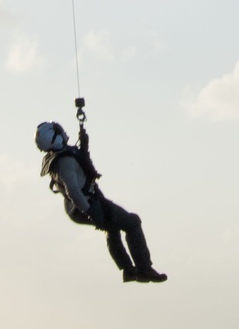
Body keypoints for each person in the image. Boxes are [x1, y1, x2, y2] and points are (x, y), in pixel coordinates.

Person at [34, 120, 167, 283]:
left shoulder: (57, 157)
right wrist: (90, 211)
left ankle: (129, 271)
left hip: (81, 206)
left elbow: (81, 166)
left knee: (111, 227)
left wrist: (84, 146)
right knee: (132, 222)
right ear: (56, 137)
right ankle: (144, 269)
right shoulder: (65, 162)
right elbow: (73, 190)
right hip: (87, 204)